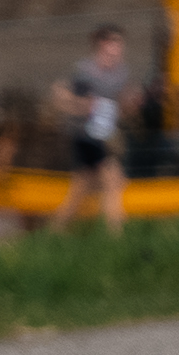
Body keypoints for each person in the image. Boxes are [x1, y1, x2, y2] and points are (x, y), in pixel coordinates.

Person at [51, 21, 139, 234]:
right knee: (113, 181)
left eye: (120, 44)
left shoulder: (121, 73)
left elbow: (122, 106)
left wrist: (132, 103)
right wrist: (86, 106)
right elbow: (63, 97)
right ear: (102, 44)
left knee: (80, 190)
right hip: (85, 135)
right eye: (115, 43)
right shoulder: (86, 72)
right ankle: (116, 236)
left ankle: (54, 232)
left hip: (103, 134)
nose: (119, 49)